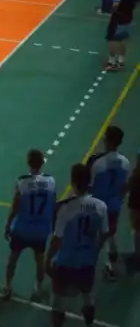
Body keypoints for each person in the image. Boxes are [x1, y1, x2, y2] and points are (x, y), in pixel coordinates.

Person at [46, 163, 109, 327]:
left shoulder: (65, 208)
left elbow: (56, 239)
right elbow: (104, 234)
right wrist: (95, 251)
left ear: (72, 182)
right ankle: (89, 323)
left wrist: (48, 260)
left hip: (65, 261)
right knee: (88, 296)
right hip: (87, 261)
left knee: (58, 303)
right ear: (89, 182)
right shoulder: (101, 206)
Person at [1, 149, 56, 300]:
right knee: (39, 260)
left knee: (13, 258)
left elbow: (15, 207)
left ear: (28, 163)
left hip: (22, 229)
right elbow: (53, 205)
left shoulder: (22, 182)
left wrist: (8, 224)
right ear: (42, 163)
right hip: (40, 230)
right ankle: (38, 288)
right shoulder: (50, 181)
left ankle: (7, 286)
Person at [87, 126, 130, 280]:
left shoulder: (96, 162)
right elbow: (124, 186)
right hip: (113, 205)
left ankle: (88, 267)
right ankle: (111, 261)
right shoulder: (125, 162)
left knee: (95, 238)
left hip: (97, 206)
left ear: (108, 140)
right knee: (109, 232)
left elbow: (88, 185)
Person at [104, 0, 138, 72]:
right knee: (122, 39)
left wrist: (109, 12)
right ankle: (121, 61)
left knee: (112, 39)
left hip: (117, 19)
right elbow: (136, 3)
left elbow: (115, 5)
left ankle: (112, 63)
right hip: (128, 17)